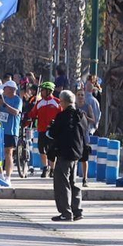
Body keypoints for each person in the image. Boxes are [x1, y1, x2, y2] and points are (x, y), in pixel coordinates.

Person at [45, 90, 88, 222]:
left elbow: (52, 133)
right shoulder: (81, 116)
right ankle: (77, 210)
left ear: (63, 102)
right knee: (73, 183)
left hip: (65, 153)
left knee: (62, 183)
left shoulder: (63, 116)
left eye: (60, 101)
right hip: (77, 153)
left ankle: (65, 212)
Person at [0, 77, 23, 185]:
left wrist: (4, 105)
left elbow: (16, 112)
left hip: (11, 131)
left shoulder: (17, 100)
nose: (4, 90)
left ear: (11, 89)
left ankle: (8, 176)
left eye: (5, 88)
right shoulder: (2, 98)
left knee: (8, 153)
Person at [78, 76, 101, 184]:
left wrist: (86, 119)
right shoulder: (74, 105)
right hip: (75, 134)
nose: (81, 96)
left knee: (84, 157)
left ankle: (85, 178)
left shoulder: (92, 102)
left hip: (86, 133)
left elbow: (95, 119)